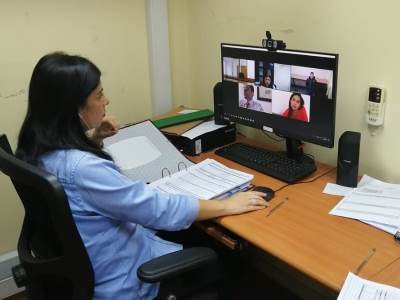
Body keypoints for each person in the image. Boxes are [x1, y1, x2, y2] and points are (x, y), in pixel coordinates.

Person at [16, 52, 268, 300]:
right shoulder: (85, 169)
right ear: (73, 108)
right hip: (125, 280)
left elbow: (71, 169)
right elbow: (155, 209)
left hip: (91, 263)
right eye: (99, 95)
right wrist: (226, 204)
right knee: (230, 257)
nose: (107, 101)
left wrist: (94, 137)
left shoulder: (36, 147)